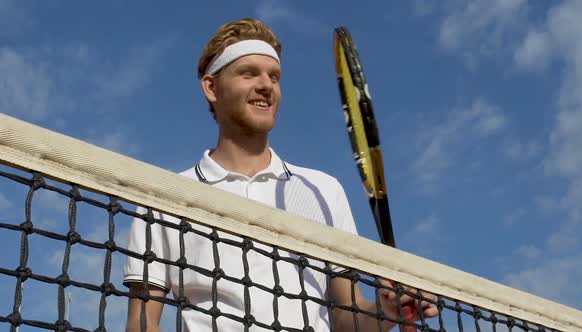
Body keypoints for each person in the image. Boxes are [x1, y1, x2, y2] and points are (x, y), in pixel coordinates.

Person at [124, 18, 437, 331]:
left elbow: (346, 320)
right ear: (211, 87)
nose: (266, 85)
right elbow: (141, 324)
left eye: (274, 76)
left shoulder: (323, 190)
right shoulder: (165, 197)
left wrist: (386, 310)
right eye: (248, 73)